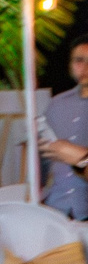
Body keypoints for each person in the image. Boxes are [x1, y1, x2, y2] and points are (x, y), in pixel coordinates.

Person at [39, 36, 88, 220]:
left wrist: (79, 157)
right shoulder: (56, 104)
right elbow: (42, 156)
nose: (85, 68)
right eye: (79, 60)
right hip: (56, 208)